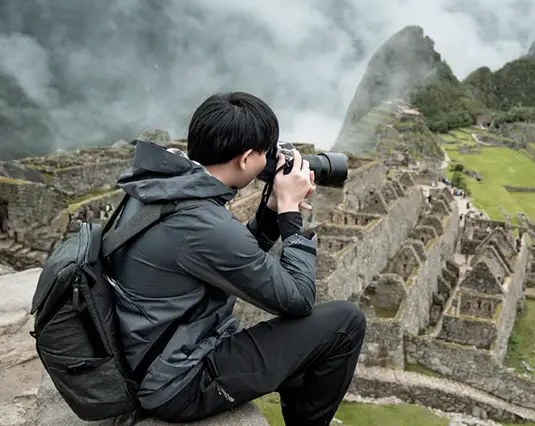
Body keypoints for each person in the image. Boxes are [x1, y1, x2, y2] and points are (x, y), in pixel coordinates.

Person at [109, 92, 366, 425]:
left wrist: (270, 209)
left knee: (301, 345)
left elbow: (234, 256)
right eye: (265, 153)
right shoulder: (203, 223)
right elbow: (299, 299)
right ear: (245, 159)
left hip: (147, 352)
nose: (269, 160)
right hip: (177, 384)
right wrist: (290, 214)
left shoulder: (163, 187)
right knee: (346, 322)